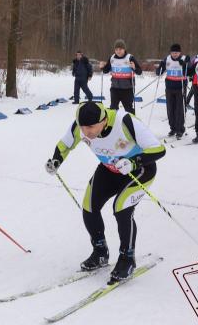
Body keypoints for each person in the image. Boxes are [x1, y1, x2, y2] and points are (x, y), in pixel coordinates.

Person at [45, 101, 165, 283]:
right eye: (82, 128)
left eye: (91, 127)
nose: (86, 133)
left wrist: (133, 162)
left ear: (104, 120)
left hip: (139, 171)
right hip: (109, 170)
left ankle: (127, 258)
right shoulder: (80, 126)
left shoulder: (124, 121)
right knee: (89, 206)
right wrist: (55, 161)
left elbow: (158, 149)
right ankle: (100, 251)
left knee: (121, 209)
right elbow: (65, 144)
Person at [99, 39, 143, 114]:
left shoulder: (130, 57)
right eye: (116, 49)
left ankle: (131, 124)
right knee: (113, 108)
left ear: (124, 49)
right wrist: (102, 67)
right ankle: (112, 124)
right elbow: (106, 70)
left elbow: (139, 72)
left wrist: (134, 67)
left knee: (128, 109)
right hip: (115, 88)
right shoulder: (112, 58)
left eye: (120, 49)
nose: (118, 51)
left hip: (127, 89)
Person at [155, 44, 188, 139]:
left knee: (179, 109)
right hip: (169, 87)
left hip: (180, 87)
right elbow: (160, 70)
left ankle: (180, 129)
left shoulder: (184, 59)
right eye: (173, 52)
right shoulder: (167, 59)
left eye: (176, 53)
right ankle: (173, 128)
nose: (174, 54)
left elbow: (189, 69)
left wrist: (185, 64)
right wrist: (159, 69)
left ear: (180, 52)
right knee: (170, 109)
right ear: (170, 52)